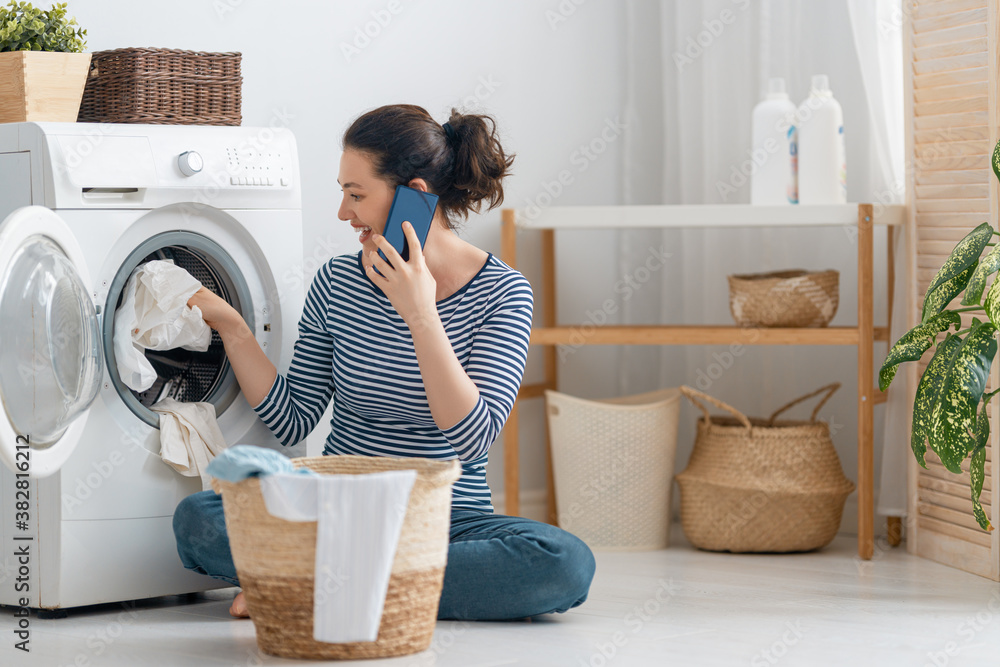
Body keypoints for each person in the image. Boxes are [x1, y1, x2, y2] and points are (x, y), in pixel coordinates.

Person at [172, 104, 596, 621]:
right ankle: (372, 582)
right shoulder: (337, 282)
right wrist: (234, 329)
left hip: (446, 521)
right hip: (334, 511)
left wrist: (420, 313)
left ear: (414, 196)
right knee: (199, 518)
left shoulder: (504, 292)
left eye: (356, 195)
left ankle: (310, 580)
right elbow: (294, 418)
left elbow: (472, 436)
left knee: (564, 563)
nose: (343, 213)